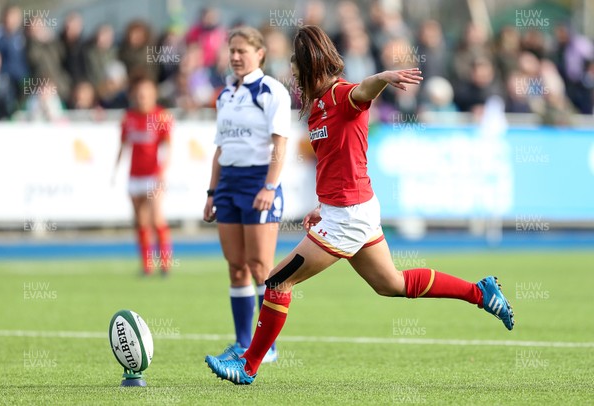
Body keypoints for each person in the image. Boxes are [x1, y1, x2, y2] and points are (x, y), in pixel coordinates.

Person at [204, 25, 515, 385]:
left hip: (349, 217)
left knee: (276, 281)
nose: (295, 78)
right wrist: (323, 206)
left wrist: (382, 77)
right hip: (348, 211)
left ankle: (248, 366)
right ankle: (480, 292)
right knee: (392, 284)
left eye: (297, 70)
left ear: (311, 67)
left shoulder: (341, 95)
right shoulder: (318, 107)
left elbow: (362, 91)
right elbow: (337, 163)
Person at [203, 26, 291, 364]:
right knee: (236, 266)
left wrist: (269, 186)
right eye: (232, 51)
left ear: (260, 54)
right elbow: (220, 148)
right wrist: (212, 191)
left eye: (243, 51)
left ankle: (265, 346)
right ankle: (243, 343)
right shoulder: (225, 94)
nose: (236, 57)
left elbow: (279, 145)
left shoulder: (272, 91)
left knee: (260, 266)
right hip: (228, 184)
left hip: (258, 183)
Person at [114, 77, 172, 276]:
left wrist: (162, 172)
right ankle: (147, 265)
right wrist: (115, 170)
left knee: (156, 218)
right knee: (140, 221)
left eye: (146, 94)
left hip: (152, 175)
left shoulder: (160, 116)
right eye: (139, 94)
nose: (142, 98)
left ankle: (165, 263)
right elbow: (123, 145)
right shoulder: (128, 118)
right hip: (135, 176)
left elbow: (167, 146)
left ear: (153, 95)